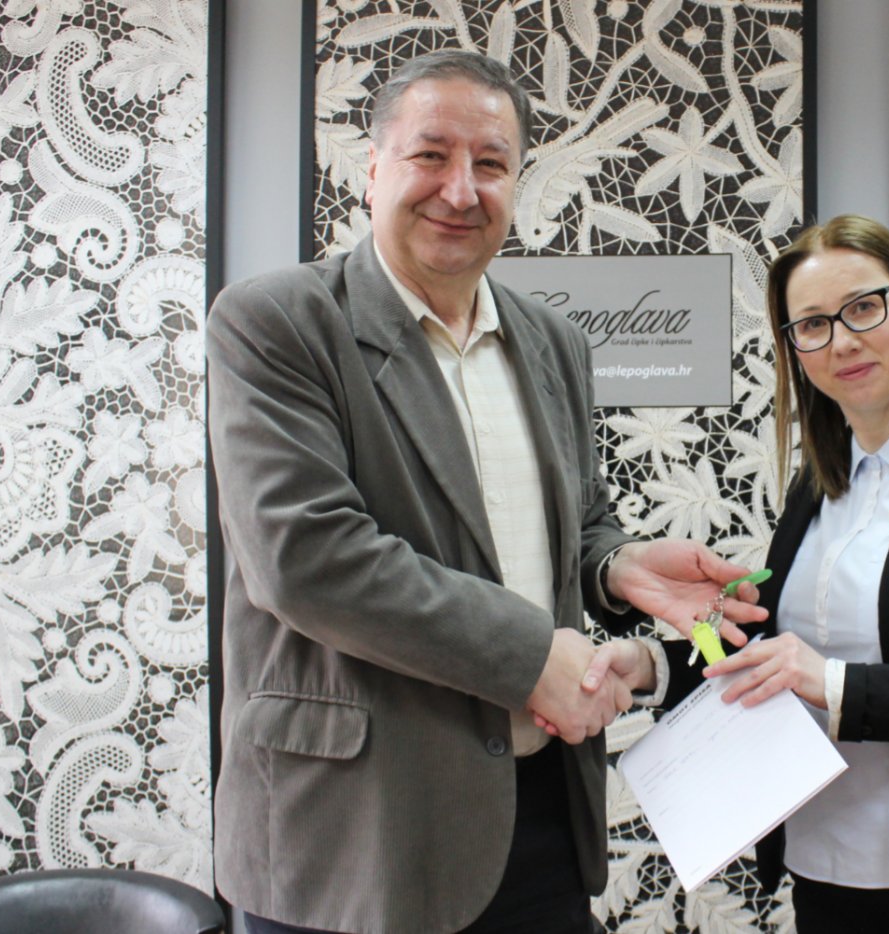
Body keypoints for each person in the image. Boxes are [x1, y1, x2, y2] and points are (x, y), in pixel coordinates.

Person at [206, 50, 763, 934]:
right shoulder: (278, 321)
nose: (460, 190)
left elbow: (570, 522)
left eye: (491, 164)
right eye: (431, 155)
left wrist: (615, 565)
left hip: (537, 817)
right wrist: (536, 655)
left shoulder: (554, 342)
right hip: (353, 836)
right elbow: (306, 556)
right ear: (373, 170)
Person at [583, 214, 889, 932]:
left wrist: (836, 684)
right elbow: (776, 662)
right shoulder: (817, 488)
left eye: (863, 308)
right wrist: (650, 667)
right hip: (827, 872)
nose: (842, 341)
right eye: (813, 325)